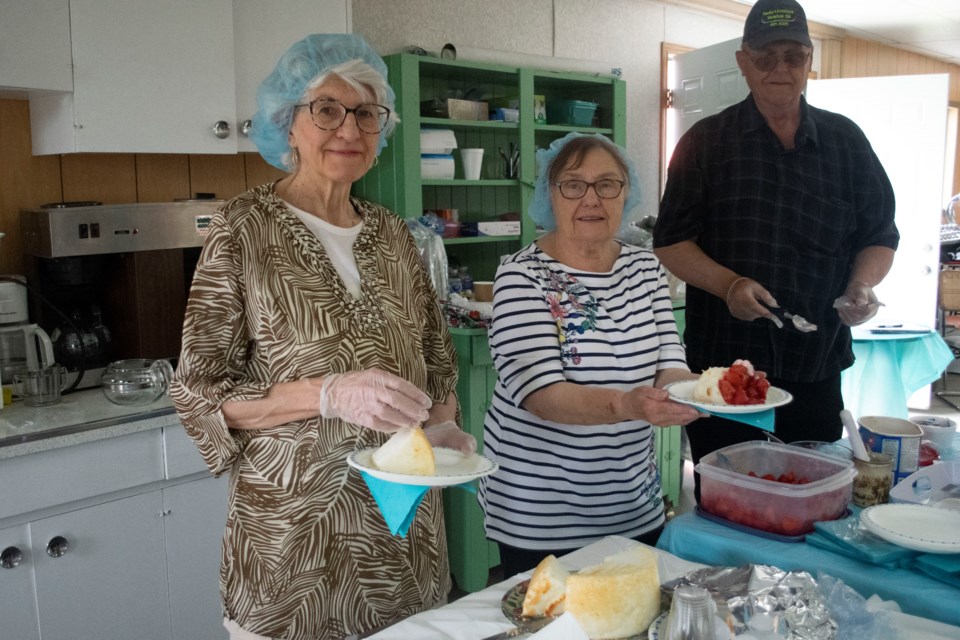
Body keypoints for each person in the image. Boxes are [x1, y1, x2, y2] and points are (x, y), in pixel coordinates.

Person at [170, 34, 475, 640]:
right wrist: (326, 394)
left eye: (366, 113)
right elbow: (201, 393)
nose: (349, 129)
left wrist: (441, 426)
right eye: (328, 109)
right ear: (289, 122)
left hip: (400, 544)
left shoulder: (394, 235)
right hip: (291, 549)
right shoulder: (243, 229)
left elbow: (436, 358)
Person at [653, 0, 898, 500]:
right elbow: (671, 242)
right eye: (766, 57)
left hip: (816, 365)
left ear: (810, 61)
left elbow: (879, 234)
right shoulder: (704, 143)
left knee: (812, 500)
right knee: (729, 505)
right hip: (724, 375)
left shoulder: (846, 142)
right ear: (744, 62)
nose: (780, 69)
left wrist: (862, 285)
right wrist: (729, 285)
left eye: (793, 56)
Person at [478, 132, 704, 578]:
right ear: (550, 194)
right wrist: (626, 404)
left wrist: (695, 392)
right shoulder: (522, 276)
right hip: (540, 514)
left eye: (607, 184)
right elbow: (542, 395)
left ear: (626, 192)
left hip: (632, 503)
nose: (591, 199)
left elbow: (668, 360)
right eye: (573, 184)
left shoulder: (646, 269)